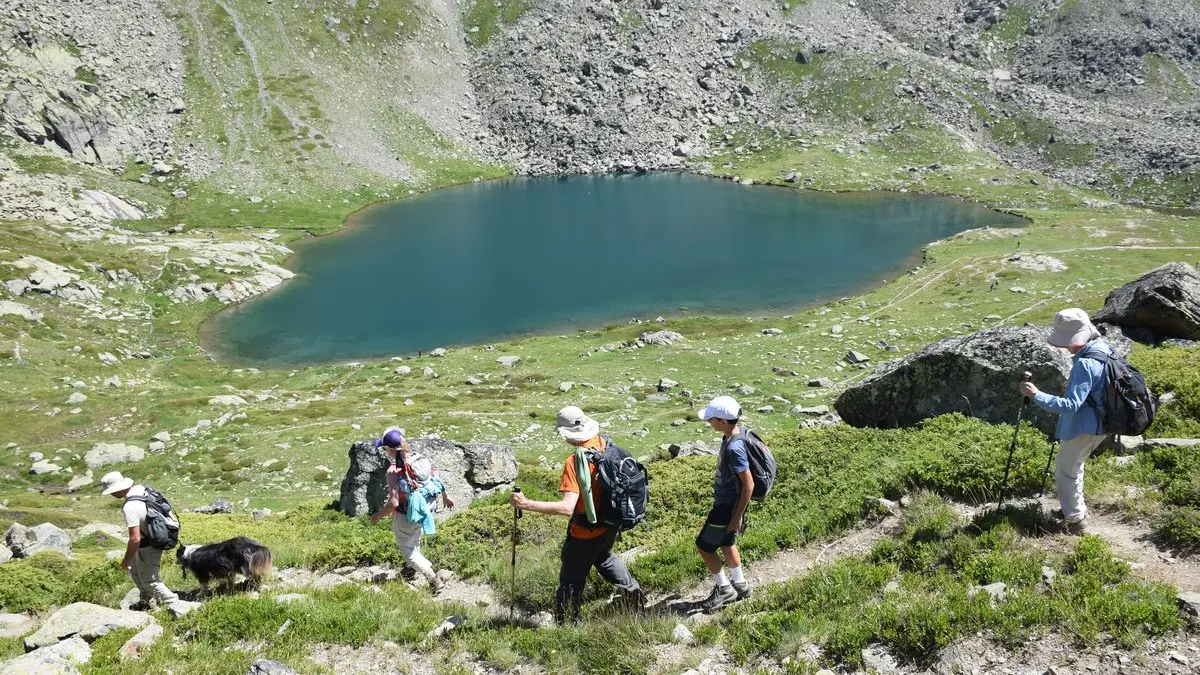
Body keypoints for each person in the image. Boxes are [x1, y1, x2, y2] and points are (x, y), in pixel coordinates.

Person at [510, 406, 643, 624]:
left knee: (571, 581)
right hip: (610, 524)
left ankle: (567, 625)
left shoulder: (575, 462)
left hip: (584, 533)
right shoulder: (605, 444)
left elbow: (566, 508)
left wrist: (526, 504)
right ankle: (634, 595)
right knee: (604, 556)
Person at [1019, 308, 1112, 534]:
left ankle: (1076, 522)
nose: (1065, 346)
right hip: (1102, 423)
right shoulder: (1103, 349)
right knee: (1074, 467)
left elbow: (1071, 405)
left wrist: (1035, 394)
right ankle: (1074, 509)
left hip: (1084, 427)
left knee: (1064, 471)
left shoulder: (1085, 364)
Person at [369, 427, 454, 592]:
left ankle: (433, 579)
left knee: (408, 551)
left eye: (385, 448)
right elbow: (435, 479)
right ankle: (411, 570)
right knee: (414, 541)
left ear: (390, 449)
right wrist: (446, 496)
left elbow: (394, 502)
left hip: (406, 515)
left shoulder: (394, 471)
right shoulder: (420, 459)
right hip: (427, 509)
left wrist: (378, 515)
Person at [695, 395, 755, 612]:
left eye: (711, 419)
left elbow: (748, 485)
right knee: (727, 543)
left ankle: (724, 589)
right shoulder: (735, 435)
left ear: (722, 421)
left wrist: (736, 516)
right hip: (731, 506)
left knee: (704, 546)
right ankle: (740, 585)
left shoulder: (734, 448)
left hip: (726, 508)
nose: (708, 422)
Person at [100, 471, 180, 609]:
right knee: (136, 572)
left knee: (150, 580)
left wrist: (126, 559)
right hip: (153, 536)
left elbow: (135, 539)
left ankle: (175, 605)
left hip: (148, 544)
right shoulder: (142, 489)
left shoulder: (129, 507)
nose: (111, 495)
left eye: (111, 491)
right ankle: (148, 602)